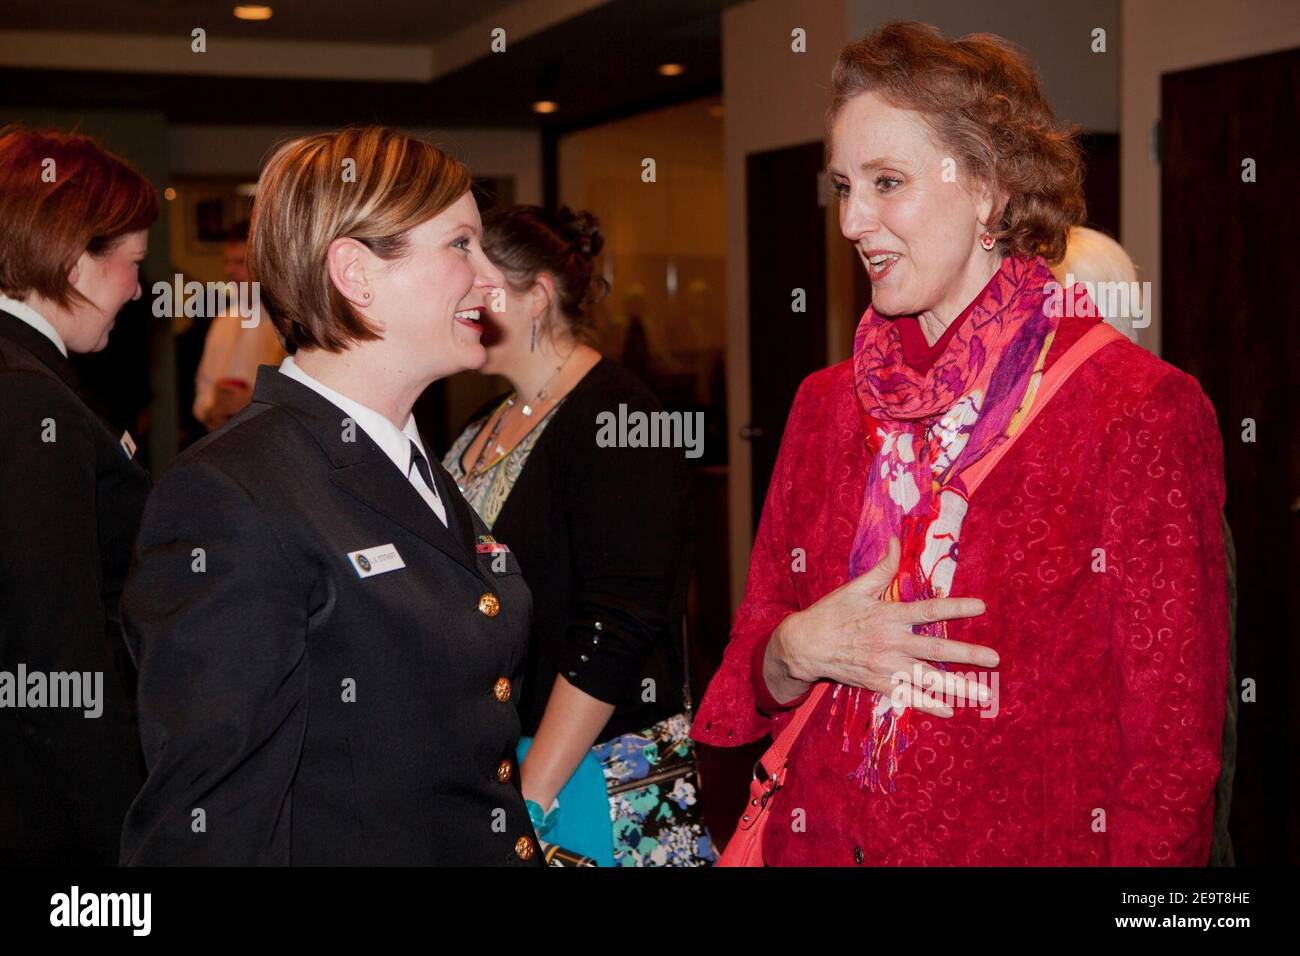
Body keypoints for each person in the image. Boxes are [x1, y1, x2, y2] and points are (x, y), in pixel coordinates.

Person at [693, 21, 1229, 866]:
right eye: (844, 187)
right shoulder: (824, 406)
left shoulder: (1133, 409)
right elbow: (752, 660)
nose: (852, 223)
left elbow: (1170, 756)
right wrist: (793, 651)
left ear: (987, 185)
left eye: (887, 182)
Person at [120, 126, 540, 866]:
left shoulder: (409, 461)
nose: (490, 279)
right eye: (460, 245)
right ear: (355, 272)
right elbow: (210, 830)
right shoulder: (232, 494)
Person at [443, 206, 706, 866]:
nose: (465, 298)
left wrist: (531, 796)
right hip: (507, 759)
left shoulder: (618, 415)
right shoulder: (486, 419)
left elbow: (616, 625)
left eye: (484, 285)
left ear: (537, 297)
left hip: (596, 774)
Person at [0, 126, 158, 865]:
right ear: (73, 257)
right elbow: (56, 655)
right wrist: (129, 836)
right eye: (130, 263)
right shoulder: (30, 397)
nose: (136, 288)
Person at [192, 220, 285, 431]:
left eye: (239, 262)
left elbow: (299, 400)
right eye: (227, 262)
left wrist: (252, 401)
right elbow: (203, 390)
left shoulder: (285, 324)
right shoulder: (222, 321)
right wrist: (211, 409)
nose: (230, 270)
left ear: (263, 264)